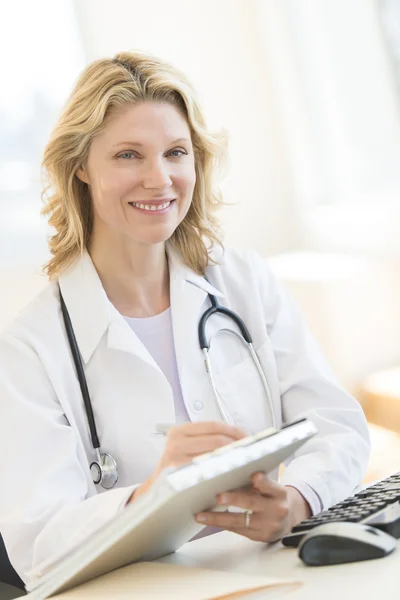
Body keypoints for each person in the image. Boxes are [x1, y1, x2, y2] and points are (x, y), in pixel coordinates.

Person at [0, 50, 370, 585]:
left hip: (270, 574)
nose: (159, 179)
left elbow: (337, 425)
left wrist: (296, 499)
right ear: (80, 166)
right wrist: (153, 495)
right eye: (128, 155)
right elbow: (37, 546)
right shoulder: (31, 348)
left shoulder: (243, 281)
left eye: (175, 152)